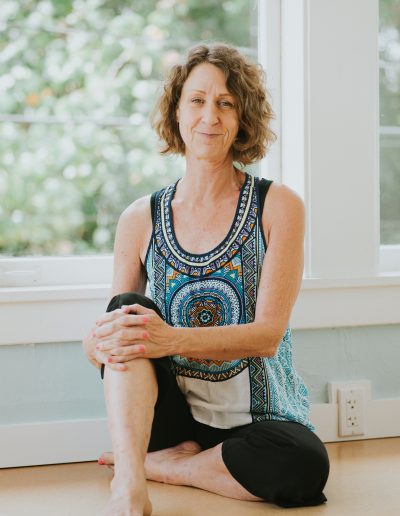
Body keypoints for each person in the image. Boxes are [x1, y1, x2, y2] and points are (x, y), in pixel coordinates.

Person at [83, 42, 329, 516]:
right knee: (127, 309)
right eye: (197, 100)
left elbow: (267, 337)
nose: (209, 117)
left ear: (243, 117)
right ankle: (130, 488)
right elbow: (111, 338)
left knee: (304, 467)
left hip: (257, 419)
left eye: (226, 103)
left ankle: (162, 467)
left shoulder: (278, 206)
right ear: (177, 112)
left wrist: (169, 339)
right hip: (170, 417)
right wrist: (100, 342)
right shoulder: (139, 217)